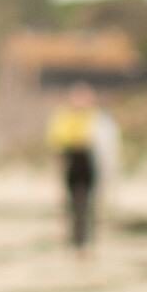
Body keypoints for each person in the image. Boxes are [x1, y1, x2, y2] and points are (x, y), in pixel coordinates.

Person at [46, 83, 101, 251]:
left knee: (88, 203)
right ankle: (76, 240)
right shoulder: (64, 116)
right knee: (74, 203)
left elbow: (100, 139)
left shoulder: (94, 116)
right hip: (72, 161)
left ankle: (86, 239)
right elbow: (55, 138)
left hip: (89, 162)